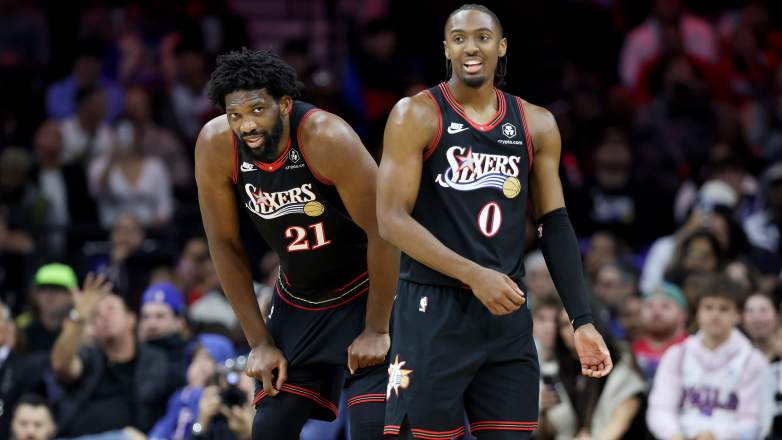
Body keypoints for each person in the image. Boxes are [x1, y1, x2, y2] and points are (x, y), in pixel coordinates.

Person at [376, 4, 612, 438]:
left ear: (501, 47)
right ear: (446, 48)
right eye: (460, 37)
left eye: (483, 36)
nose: (472, 46)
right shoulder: (416, 114)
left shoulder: (536, 123)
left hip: (505, 312)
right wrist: (473, 275)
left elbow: (554, 224)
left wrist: (582, 320)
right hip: (432, 308)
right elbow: (390, 219)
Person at [195, 48, 397, 439]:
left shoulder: (326, 137)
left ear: (285, 104)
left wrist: (376, 327)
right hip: (301, 297)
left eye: (257, 110)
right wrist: (259, 343)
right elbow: (223, 244)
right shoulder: (216, 144)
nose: (246, 125)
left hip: (368, 288)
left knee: (372, 427)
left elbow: (385, 231)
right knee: (269, 427)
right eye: (235, 115)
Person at [647, 274, 769, 440]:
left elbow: (752, 421)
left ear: (737, 315)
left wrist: (716, 436)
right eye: (708, 307)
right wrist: (673, 434)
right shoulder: (677, 354)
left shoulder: (753, 360)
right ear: (698, 312)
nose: (715, 315)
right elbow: (660, 408)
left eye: (724, 308)